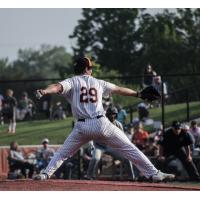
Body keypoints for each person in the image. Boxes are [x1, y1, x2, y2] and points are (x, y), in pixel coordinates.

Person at [34, 57, 175, 182]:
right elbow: (119, 89)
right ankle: (154, 173)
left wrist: (44, 91)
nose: (91, 70)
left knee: (62, 153)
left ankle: (46, 174)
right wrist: (138, 94)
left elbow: (57, 87)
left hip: (82, 127)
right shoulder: (99, 83)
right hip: (102, 124)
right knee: (129, 148)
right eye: (90, 68)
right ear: (86, 69)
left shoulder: (72, 81)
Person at [86, 106, 134, 180]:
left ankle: (131, 177)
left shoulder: (118, 125)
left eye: (114, 114)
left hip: (112, 147)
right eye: (110, 114)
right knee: (95, 158)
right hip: (99, 146)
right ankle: (89, 176)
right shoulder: (100, 122)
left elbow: (122, 139)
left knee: (127, 158)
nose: (112, 116)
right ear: (107, 115)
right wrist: (93, 145)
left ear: (116, 115)